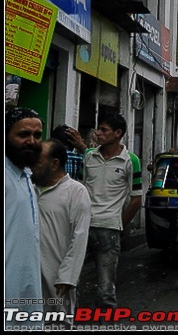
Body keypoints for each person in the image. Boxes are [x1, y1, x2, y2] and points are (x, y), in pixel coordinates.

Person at [68, 113, 142, 307]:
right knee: (70, 280)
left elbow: (136, 199)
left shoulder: (130, 161)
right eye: (98, 129)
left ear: (118, 133)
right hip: (83, 227)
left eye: (103, 130)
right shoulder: (89, 156)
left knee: (105, 289)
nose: (98, 133)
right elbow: (81, 188)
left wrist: (119, 224)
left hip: (109, 230)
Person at [31, 138, 92, 329]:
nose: (32, 166)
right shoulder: (29, 189)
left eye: (38, 161)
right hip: (29, 276)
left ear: (54, 163)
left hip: (57, 278)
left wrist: (68, 276)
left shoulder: (76, 192)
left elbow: (79, 237)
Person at [5, 107, 45, 329]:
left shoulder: (26, 175)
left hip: (26, 290)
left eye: (37, 135)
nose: (31, 141)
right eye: (23, 135)